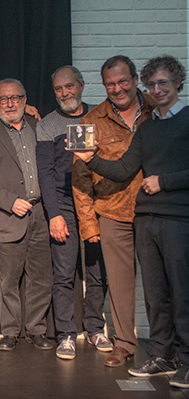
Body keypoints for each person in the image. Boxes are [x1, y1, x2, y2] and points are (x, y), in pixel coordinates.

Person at [73, 55, 189, 389]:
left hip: (171, 214)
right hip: (129, 214)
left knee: (178, 289)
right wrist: (90, 160)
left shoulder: (170, 114)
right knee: (145, 291)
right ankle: (146, 350)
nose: (157, 89)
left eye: (162, 83)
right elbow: (106, 172)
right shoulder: (121, 123)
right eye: (110, 83)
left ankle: (182, 356)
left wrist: (165, 182)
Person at [72, 55, 154, 367]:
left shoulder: (156, 112)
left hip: (154, 211)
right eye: (110, 84)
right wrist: (89, 225)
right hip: (112, 212)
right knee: (119, 285)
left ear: (135, 79)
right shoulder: (91, 119)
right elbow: (80, 177)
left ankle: (168, 345)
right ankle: (125, 344)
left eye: (123, 81)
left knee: (163, 283)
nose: (117, 88)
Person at [36, 65, 111, 360]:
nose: (64, 93)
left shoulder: (99, 117)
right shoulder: (47, 125)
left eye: (69, 86)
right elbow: (45, 172)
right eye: (58, 89)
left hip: (98, 203)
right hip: (64, 203)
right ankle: (66, 334)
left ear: (80, 85)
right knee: (64, 272)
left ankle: (94, 329)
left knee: (96, 271)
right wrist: (54, 214)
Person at [0, 78, 52, 352]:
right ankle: (9, 332)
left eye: (15, 98)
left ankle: (37, 330)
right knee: (7, 281)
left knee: (40, 277)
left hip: (41, 213)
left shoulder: (38, 126)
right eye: (4, 99)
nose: (10, 104)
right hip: (8, 217)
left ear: (24, 99)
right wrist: (11, 202)